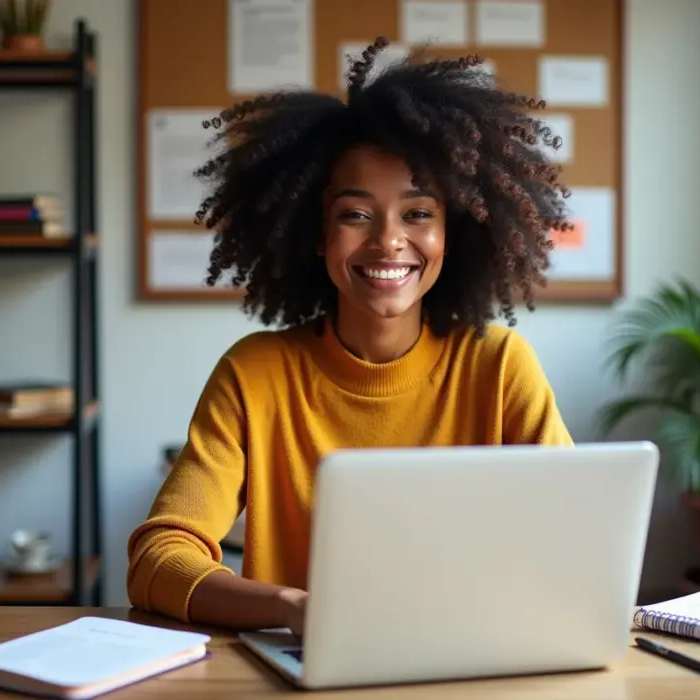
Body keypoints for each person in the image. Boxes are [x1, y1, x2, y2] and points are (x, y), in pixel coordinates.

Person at [127, 38, 574, 636]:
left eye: (418, 213)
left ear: (453, 234)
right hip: (308, 669)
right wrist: (293, 608)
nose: (388, 241)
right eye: (355, 214)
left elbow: (576, 540)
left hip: (473, 659)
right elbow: (159, 561)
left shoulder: (497, 366)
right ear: (317, 234)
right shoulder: (255, 374)